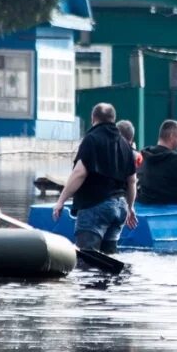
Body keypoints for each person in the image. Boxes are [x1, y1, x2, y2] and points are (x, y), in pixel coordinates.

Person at [52, 103, 138, 254]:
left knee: (88, 260)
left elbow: (79, 173)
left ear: (93, 119)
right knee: (110, 260)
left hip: (95, 206)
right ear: (113, 119)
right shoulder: (125, 144)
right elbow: (132, 181)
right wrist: (130, 208)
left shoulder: (91, 139)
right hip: (119, 208)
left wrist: (61, 201)